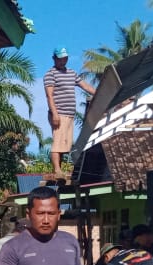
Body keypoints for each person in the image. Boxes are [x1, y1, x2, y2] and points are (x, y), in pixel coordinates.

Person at [44, 46, 96, 176]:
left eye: (65, 58)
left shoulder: (71, 73)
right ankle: (57, 170)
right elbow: (49, 95)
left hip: (69, 114)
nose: (63, 61)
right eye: (60, 59)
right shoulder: (50, 74)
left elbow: (84, 85)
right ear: (54, 58)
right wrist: (55, 114)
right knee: (58, 142)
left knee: (64, 144)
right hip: (59, 113)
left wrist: (98, 93)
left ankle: (60, 170)